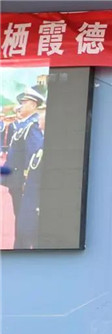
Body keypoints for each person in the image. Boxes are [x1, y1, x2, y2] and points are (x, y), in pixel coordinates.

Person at [2, 87, 45, 249]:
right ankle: (19, 247)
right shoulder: (23, 124)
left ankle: (22, 250)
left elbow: (34, 157)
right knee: (19, 218)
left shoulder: (32, 126)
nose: (20, 106)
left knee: (24, 221)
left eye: (24, 102)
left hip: (22, 183)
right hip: (16, 181)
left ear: (33, 105)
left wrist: (26, 181)